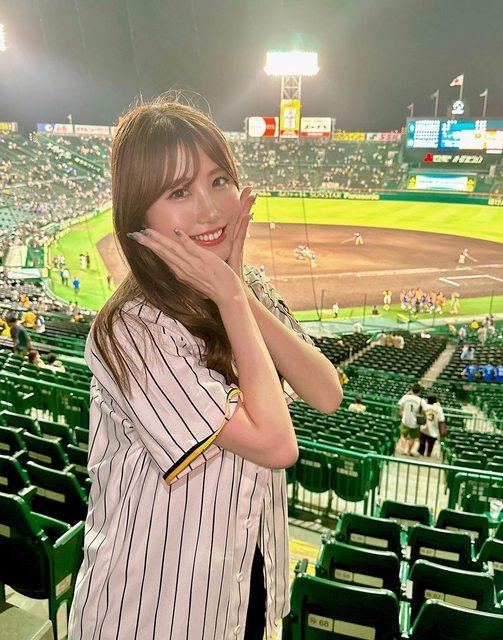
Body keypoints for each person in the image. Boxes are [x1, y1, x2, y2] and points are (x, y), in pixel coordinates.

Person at [67, 99, 342, 640]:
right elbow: (276, 445)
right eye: (178, 192)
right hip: (151, 606)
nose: (211, 209)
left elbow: (326, 391)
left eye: (219, 181)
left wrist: (239, 292)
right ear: (138, 215)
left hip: (241, 586)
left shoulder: (247, 288)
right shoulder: (132, 327)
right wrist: (231, 297)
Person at [398, 383, 422, 456]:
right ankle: (408, 451)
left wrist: (402, 414)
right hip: (415, 422)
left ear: (412, 390)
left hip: (405, 419)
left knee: (403, 435)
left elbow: (401, 408)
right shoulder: (420, 400)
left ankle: (405, 450)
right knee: (412, 438)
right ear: (419, 391)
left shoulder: (405, 397)